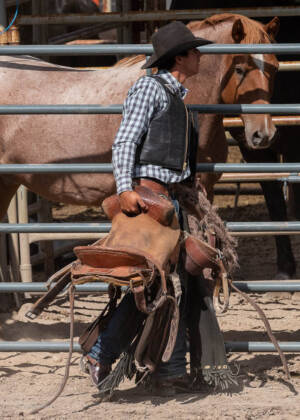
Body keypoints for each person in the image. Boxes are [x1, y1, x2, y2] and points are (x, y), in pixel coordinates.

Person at [82, 21, 213, 396]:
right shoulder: (148, 89)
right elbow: (125, 142)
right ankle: (101, 352)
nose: (200, 55)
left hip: (170, 200)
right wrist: (125, 189)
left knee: (178, 283)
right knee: (151, 283)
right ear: (181, 57)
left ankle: (168, 370)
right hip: (148, 199)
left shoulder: (174, 96)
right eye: (195, 50)